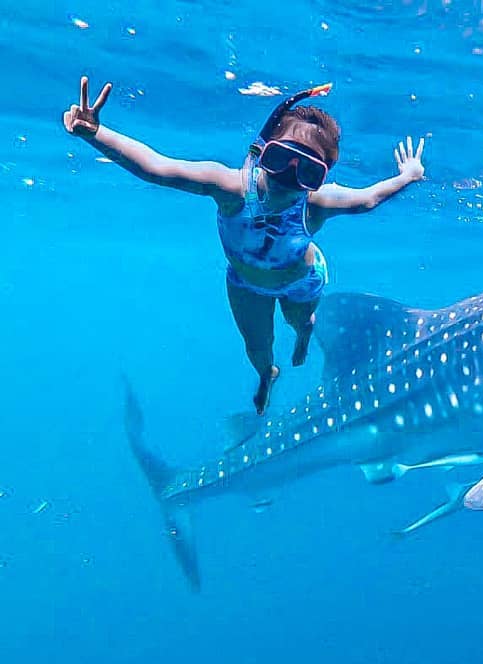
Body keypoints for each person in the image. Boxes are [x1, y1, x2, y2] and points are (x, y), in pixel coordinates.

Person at [63, 76, 425, 414]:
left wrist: (408, 175)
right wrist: (96, 134)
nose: (288, 177)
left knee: (297, 319)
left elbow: (368, 199)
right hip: (244, 281)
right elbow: (158, 168)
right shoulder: (231, 188)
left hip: (303, 279)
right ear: (263, 151)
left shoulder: (317, 203)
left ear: (321, 178)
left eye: (307, 172)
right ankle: (268, 374)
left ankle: (304, 331)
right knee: (256, 347)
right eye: (281, 160)